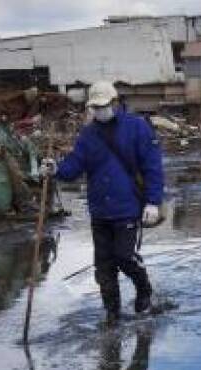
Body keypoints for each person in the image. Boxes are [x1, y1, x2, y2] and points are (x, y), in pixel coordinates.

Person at [41, 81, 163, 323]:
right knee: (103, 267)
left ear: (115, 103)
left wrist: (153, 202)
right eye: (94, 107)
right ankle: (112, 313)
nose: (98, 111)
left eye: (102, 106)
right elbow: (75, 165)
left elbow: (152, 167)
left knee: (125, 257)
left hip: (127, 208)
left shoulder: (137, 128)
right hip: (100, 211)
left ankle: (144, 290)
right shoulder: (88, 134)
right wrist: (56, 168)